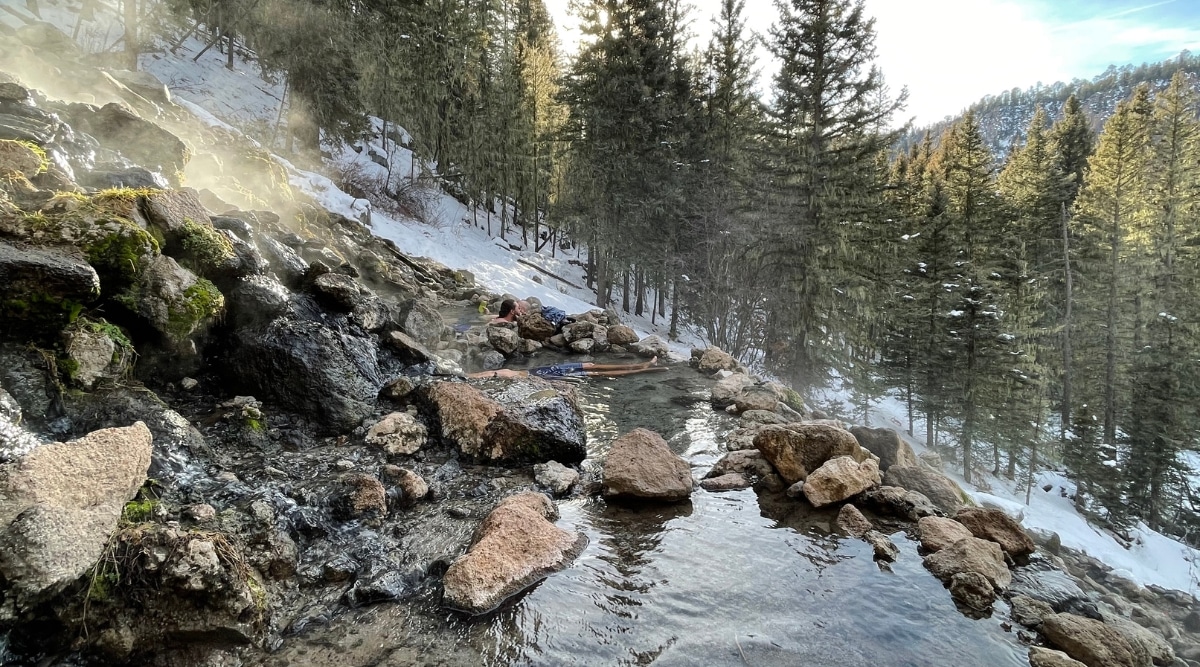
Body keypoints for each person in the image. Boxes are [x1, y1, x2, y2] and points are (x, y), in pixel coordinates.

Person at [468, 357, 665, 380]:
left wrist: (465, 376)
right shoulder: (497, 377)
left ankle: (643, 365)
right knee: (595, 372)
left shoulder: (496, 375)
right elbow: (487, 375)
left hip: (545, 370)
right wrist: (468, 377)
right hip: (546, 376)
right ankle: (643, 369)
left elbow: (486, 374)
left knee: (592, 366)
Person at [489, 298, 569, 329]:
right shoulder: (503, 323)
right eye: (518, 308)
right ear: (512, 311)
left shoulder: (500, 319)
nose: (520, 310)